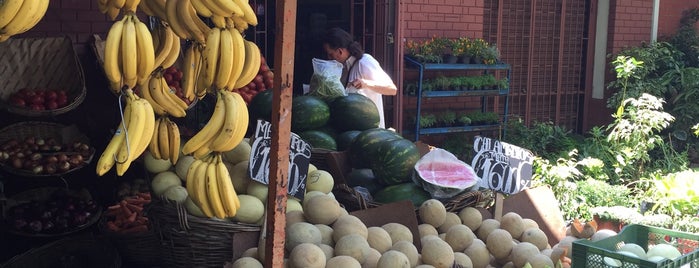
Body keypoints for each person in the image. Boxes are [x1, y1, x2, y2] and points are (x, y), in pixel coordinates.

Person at [321, 27, 397, 128]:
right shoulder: (344, 68)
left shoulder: (365, 62)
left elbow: (392, 89)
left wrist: (365, 84)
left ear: (340, 51)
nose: (329, 58)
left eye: (331, 54)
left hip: (370, 132)